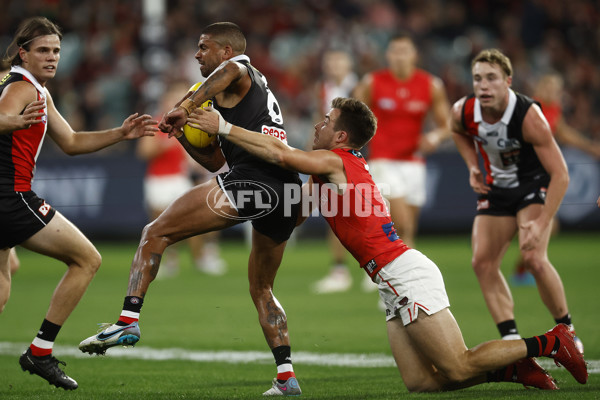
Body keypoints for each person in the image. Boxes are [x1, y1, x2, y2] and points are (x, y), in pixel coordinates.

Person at [188, 96, 588, 392]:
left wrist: (224, 127)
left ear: (340, 136)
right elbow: (291, 218)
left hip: (401, 272)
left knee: (458, 366)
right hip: (391, 279)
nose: (317, 126)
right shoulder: (330, 172)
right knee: (421, 382)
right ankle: (511, 368)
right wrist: (236, 179)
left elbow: (280, 151)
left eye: (325, 121)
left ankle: (552, 340)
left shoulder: (335, 161)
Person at [78, 22, 303, 396]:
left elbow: (229, 71)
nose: (197, 54)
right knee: (261, 287)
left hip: (254, 181)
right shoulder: (242, 93)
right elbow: (216, 162)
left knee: (154, 232)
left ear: (226, 50)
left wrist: (183, 105)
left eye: (204, 47)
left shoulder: (238, 68)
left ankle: (127, 320)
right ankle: (286, 376)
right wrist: (182, 132)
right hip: (286, 191)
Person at [0, 17, 157, 390]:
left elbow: (70, 142)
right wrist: (10, 121)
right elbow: (4, 115)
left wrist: (120, 134)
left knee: (3, 282)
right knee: (87, 259)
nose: (52, 57)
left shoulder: (32, 87)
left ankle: (39, 353)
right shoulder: (20, 87)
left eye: (56, 50)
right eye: (43, 50)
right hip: (11, 195)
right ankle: (40, 353)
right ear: (23, 52)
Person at [450, 49, 584, 352]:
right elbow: (456, 131)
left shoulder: (528, 116)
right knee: (482, 263)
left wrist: (541, 222)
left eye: (491, 78)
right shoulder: (463, 111)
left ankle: (568, 331)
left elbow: (561, 174)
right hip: (496, 190)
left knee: (535, 258)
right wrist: (473, 166)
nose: (483, 86)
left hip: (531, 187)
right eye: (477, 79)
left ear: (508, 81)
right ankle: (511, 341)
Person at [353, 31, 451, 250]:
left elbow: (447, 125)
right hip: (383, 160)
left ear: (414, 54)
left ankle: (393, 273)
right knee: (401, 223)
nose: (399, 56)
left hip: (414, 161)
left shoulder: (430, 85)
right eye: (395, 51)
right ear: (388, 54)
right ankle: (394, 271)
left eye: (404, 51)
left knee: (409, 229)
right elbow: (351, 114)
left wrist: (434, 137)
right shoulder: (373, 82)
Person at [511, 72, 600, 287]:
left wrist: (589, 147)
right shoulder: (532, 109)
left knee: (542, 225)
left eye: (556, 88)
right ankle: (522, 262)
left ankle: (522, 267)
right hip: (527, 173)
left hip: (543, 174)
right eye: (550, 86)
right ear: (541, 87)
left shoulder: (553, 111)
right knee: (545, 224)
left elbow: (564, 133)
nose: (554, 91)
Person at [136, 81, 226, 278]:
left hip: (180, 178)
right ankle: (167, 262)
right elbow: (143, 152)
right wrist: (165, 144)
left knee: (195, 222)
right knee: (161, 224)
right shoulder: (157, 123)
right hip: (159, 180)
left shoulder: (190, 125)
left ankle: (200, 259)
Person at [309, 49, 368, 294]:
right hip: (332, 157)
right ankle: (339, 271)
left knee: (366, 211)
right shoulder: (322, 88)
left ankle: (373, 268)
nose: (333, 65)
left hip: (361, 156)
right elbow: (317, 118)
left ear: (348, 64)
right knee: (335, 210)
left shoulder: (362, 87)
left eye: (338, 60)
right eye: (329, 61)